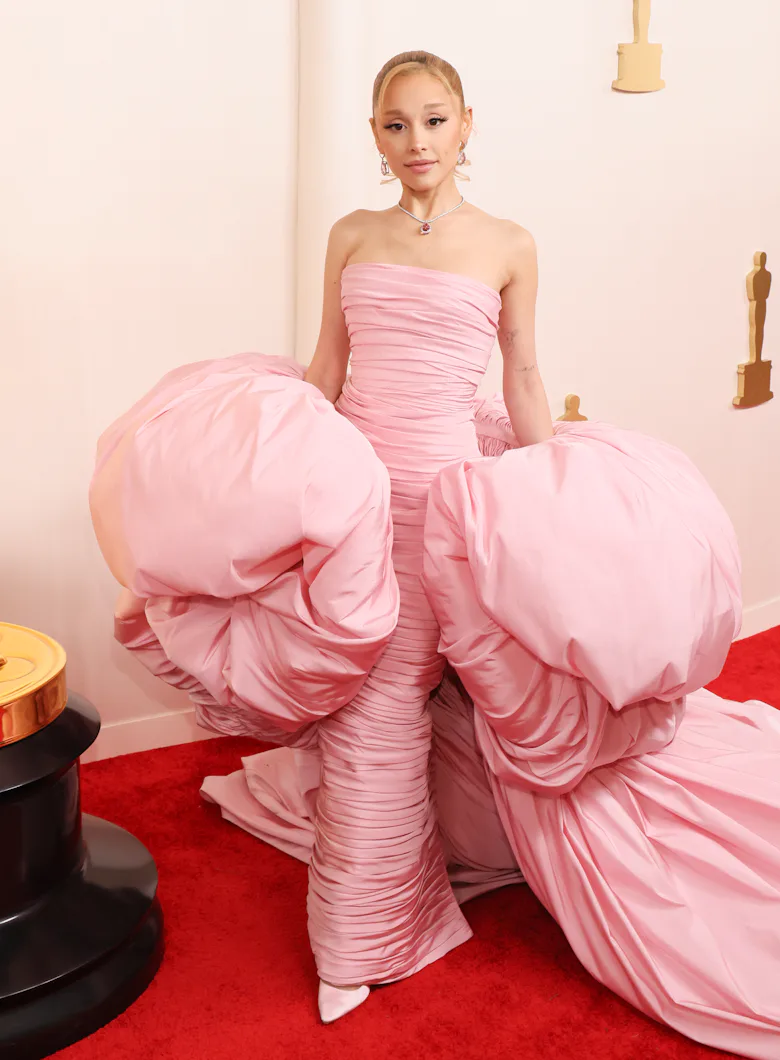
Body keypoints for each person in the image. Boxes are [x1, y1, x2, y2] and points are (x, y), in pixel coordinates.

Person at [90, 50, 780, 1058]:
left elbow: (525, 374)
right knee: (371, 707)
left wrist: (555, 498)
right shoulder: (351, 234)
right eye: (395, 124)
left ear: (465, 125)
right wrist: (274, 489)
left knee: (433, 698)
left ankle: (387, 915)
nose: (416, 141)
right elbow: (326, 370)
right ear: (375, 135)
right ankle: (369, 931)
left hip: (451, 504)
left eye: (434, 120)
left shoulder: (509, 243)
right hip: (355, 501)